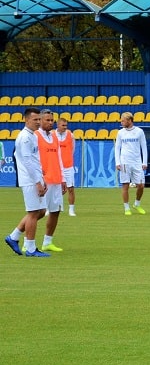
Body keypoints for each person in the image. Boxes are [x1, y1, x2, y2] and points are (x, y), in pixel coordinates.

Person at [4, 107, 50, 257]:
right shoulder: (25, 137)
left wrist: (42, 177)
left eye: (39, 119)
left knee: (41, 211)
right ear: (26, 120)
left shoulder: (33, 135)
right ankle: (30, 248)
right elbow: (27, 162)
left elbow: (35, 159)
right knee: (33, 213)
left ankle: (14, 236)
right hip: (29, 180)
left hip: (36, 178)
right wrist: (37, 182)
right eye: (35, 119)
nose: (38, 122)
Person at [36, 109, 67, 252]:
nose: (50, 123)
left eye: (51, 120)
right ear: (40, 120)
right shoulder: (35, 136)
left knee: (55, 211)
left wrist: (63, 178)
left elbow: (59, 158)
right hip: (43, 180)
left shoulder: (54, 136)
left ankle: (47, 242)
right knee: (38, 212)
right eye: (47, 120)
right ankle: (21, 237)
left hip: (56, 179)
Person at [114, 112, 148, 215]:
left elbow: (144, 147)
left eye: (123, 120)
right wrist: (117, 162)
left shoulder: (139, 131)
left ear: (129, 120)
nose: (121, 122)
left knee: (141, 185)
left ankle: (137, 204)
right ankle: (127, 208)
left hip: (137, 162)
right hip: (125, 162)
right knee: (125, 185)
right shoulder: (120, 132)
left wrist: (144, 162)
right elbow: (117, 148)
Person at [53, 116, 76, 216]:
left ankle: (71, 209)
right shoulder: (52, 135)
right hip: (56, 167)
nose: (65, 127)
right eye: (63, 125)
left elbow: (73, 149)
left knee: (70, 188)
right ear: (58, 125)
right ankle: (51, 208)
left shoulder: (70, 135)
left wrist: (67, 158)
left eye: (66, 125)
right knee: (54, 189)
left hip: (68, 166)